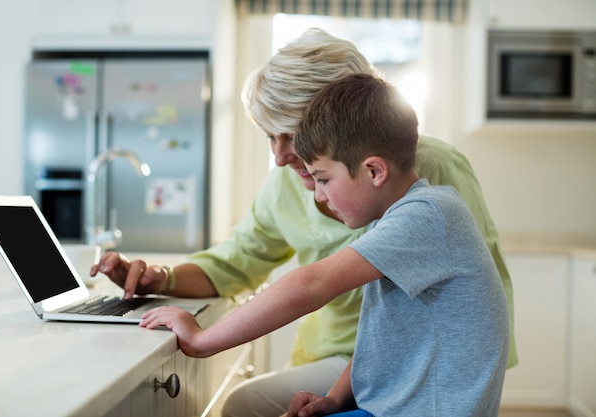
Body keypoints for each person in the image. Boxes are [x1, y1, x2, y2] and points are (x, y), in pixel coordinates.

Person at [91, 28, 517, 417]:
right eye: (268, 136)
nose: (279, 157)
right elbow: (238, 260)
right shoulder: (288, 182)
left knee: (242, 405)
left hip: (421, 377)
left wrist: (202, 341)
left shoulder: (430, 189)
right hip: (361, 365)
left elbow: (314, 286)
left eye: (291, 136)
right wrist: (160, 278)